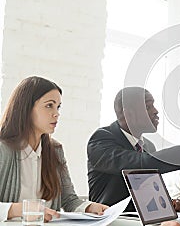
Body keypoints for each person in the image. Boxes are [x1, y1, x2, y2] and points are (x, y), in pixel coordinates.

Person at [87, 87, 180, 212]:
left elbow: (146, 193)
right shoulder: (101, 139)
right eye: (148, 106)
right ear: (128, 114)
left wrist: (171, 203)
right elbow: (139, 164)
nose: (155, 111)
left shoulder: (147, 146)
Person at [0, 76, 108, 222]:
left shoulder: (55, 150)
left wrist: (90, 208)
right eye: (49, 105)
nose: (56, 113)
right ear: (26, 108)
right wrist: (22, 209)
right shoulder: (3, 149)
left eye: (58, 107)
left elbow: (69, 200)